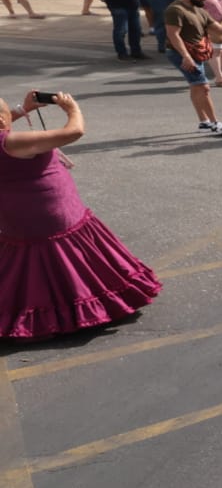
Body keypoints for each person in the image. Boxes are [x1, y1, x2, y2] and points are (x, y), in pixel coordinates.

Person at [0, 91, 160, 340]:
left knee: (31, 264)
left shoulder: (10, 140)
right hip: (48, 213)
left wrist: (24, 110)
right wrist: (72, 109)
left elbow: (5, 125)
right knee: (61, 261)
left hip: (19, 215)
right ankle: (69, 313)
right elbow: (74, 132)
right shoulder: (13, 143)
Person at [163, 0, 222, 136]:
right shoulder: (175, 10)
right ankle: (215, 123)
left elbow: (218, 28)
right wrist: (186, 57)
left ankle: (204, 122)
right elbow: (173, 35)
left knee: (196, 86)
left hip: (196, 52)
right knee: (203, 87)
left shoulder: (199, 9)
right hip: (181, 53)